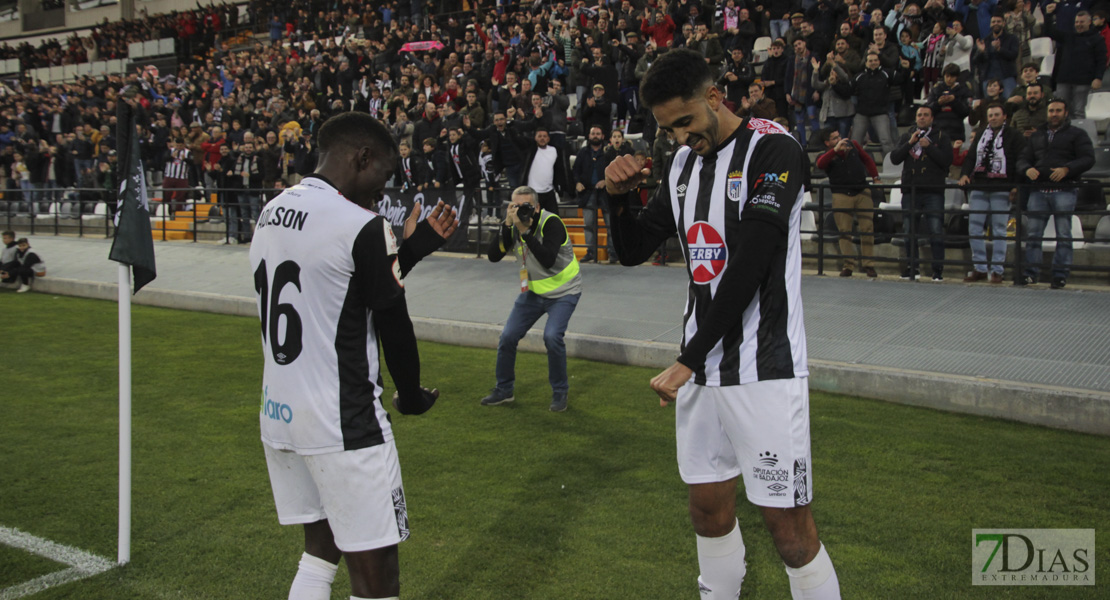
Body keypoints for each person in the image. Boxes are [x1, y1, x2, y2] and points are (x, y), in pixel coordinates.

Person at [603, 48, 841, 600]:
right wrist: (615, 198)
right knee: (707, 510)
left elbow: (752, 264)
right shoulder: (684, 162)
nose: (681, 138)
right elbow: (636, 248)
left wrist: (687, 358)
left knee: (789, 531)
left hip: (765, 370)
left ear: (715, 97)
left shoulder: (774, 149)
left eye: (686, 121)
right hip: (702, 373)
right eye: (667, 130)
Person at [248, 112, 458, 600]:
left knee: (319, 553)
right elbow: (394, 325)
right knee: (377, 576)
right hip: (344, 421)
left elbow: (337, 284)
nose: (381, 192)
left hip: (280, 412)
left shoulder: (272, 209)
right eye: (381, 176)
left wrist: (411, 249)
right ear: (361, 157)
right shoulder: (362, 224)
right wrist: (410, 395)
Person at [481, 186, 582, 413]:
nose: (521, 211)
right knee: (507, 336)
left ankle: (559, 393)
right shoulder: (514, 223)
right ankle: (504, 390)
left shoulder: (552, 223)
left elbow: (547, 259)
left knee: (552, 336)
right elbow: (493, 256)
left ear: (536, 207)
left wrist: (525, 231)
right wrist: (507, 224)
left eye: (526, 207)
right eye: (515, 206)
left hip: (564, 291)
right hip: (534, 292)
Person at [1015, 98, 1095, 289]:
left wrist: (1067, 169)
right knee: (1033, 234)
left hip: (1064, 190)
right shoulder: (1036, 136)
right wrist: (1027, 169)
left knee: (1063, 234)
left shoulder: (1078, 134)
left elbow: (1088, 158)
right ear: (1047, 113)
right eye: (1051, 111)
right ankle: (1030, 274)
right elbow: (1022, 159)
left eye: (1058, 110)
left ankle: (1060, 275)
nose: (1054, 114)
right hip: (1038, 190)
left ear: (1066, 113)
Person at [958, 103, 1024, 284]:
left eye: (996, 114)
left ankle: (997, 270)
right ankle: (979, 268)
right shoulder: (980, 134)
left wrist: (1016, 185)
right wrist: (964, 173)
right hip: (979, 187)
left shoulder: (1014, 135)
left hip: (1002, 188)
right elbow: (971, 157)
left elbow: (1020, 161)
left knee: (999, 230)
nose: (993, 118)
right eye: (990, 115)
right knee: (974, 228)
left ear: (1004, 117)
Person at [890, 105, 953, 281]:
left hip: (933, 190)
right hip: (911, 190)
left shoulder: (941, 136)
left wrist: (930, 147)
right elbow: (895, 158)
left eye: (926, 115)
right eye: (919, 115)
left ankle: (937, 269)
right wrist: (910, 143)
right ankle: (912, 267)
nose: (922, 118)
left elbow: (947, 161)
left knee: (935, 229)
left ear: (932, 118)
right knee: (909, 230)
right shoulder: (908, 136)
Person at [816, 128, 880, 278]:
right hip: (841, 194)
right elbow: (820, 164)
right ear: (827, 143)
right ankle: (848, 265)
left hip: (862, 191)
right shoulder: (826, 155)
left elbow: (867, 159)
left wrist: (875, 177)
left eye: (839, 137)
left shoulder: (854, 145)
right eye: (834, 139)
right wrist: (835, 150)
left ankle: (869, 265)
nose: (839, 140)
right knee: (844, 230)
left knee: (867, 228)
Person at [1044, 6, 1106, 120]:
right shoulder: (1069, 36)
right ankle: (1063, 136)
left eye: (1082, 22)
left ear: (1089, 22)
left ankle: (1079, 137)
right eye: (1077, 22)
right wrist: (1048, 15)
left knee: (1079, 112)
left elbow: (1101, 60)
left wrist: (1098, 77)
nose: (1079, 24)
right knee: (1062, 111)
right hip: (1063, 79)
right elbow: (1049, 31)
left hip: (1083, 81)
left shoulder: (1097, 39)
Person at [520, 126, 570, 214]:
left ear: (548, 138)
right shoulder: (529, 150)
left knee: (554, 219)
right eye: (539, 136)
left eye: (544, 136)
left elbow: (559, 170)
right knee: (533, 220)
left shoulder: (554, 150)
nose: (542, 138)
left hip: (549, 192)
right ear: (535, 138)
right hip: (533, 192)